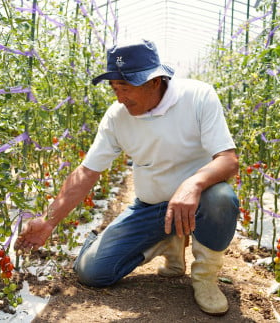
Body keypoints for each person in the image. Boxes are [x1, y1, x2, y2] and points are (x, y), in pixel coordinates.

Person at [14, 39, 240, 316]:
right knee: (92, 273)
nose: (119, 97)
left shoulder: (198, 96)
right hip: (150, 207)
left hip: (198, 203)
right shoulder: (116, 117)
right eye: (114, 88)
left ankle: (205, 278)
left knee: (221, 198)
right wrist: (49, 220)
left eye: (125, 87)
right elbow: (87, 172)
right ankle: (168, 239)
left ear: (154, 81)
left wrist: (193, 183)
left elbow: (228, 160)